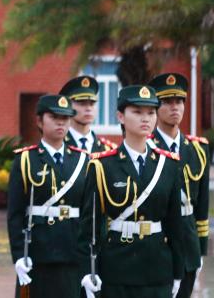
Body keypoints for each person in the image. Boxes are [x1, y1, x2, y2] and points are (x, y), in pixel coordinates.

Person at [78, 85, 184, 298]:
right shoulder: (102, 165)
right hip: (118, 268)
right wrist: (87, 271)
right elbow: (90, 226)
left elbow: (175, 224)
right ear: (120, 116)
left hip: (157, 266)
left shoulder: (168, 165)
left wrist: (178, 271)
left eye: (151, 112)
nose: (146, 119)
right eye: (137, 112)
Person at [7, 94, 87, 297]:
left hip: (72, 250)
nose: (60, 122)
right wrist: (18, 255)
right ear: (39, 121)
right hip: (37, 252)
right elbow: (15, 213)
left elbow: (89, 212)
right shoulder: (26, 160)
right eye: (54, 117)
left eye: (65, 118)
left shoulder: (82, 160)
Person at [148, 73, 209, 298]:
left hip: (187, 245)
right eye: (167, 102)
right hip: (157, 245)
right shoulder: (146, 148)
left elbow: (202, 206)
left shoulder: (197, 149)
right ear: (156, 107)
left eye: (179, 101)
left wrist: (200, 249)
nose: (175, 107)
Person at [61, 75, 117, 154]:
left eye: (92, 103)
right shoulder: (58, 145)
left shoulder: (108, 149)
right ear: (68, 106)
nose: (88, 108)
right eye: (82, 103)